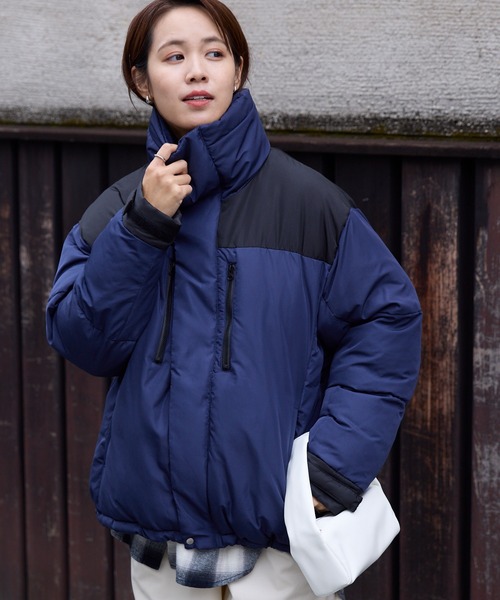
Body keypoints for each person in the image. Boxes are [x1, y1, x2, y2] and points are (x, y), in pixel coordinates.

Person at [46, 0, 422, 598]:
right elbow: (82, 339)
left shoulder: (312, 206)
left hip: (280, 545)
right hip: (162, 550)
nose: (197, 70)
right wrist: (142, 227)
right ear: (142, 80)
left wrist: (330, 469)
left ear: (238, 69)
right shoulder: (117, 212)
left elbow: (387, 319)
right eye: (174, 56)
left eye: (214, 53)